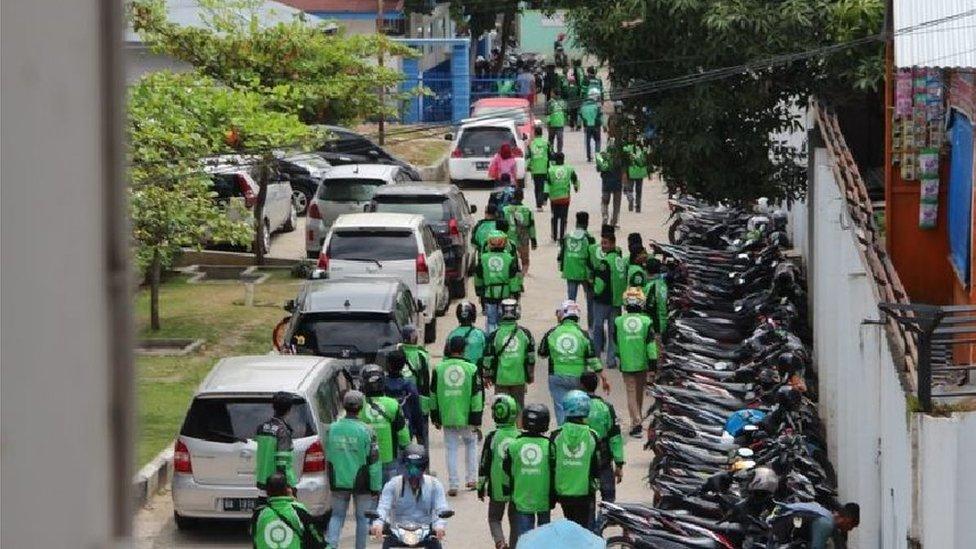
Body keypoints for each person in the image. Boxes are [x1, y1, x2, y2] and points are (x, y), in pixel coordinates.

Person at [324, 390, 382, 549]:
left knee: (336, 516)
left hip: (338, 480)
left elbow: (328, 455)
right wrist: (376, 487)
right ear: (361, 407)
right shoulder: (368, 431)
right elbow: (374, 461)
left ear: (344, 406)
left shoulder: (332, 429)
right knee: (363, 519)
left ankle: (331, 546)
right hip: (362, 483)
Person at [538, 300, 609, 425]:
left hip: (557, 377)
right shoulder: (583, 334)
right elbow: (592, 359)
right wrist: (603, 377)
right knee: (578, 408)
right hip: (579, 378)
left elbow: (542, 353)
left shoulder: (552, 333)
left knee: (561, 408)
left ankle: (563, 434)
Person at [431, 335, 485, 496]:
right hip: (467, 415)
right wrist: (477, 418)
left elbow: (433, 394)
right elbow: (477, 396)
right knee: (471, 445)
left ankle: (453, 483)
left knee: (451, 449)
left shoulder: (439, 369)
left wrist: (435, 416)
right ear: (464, 349)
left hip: (447, 415)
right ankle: (472, 479)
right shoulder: (472, 369)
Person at [370, 444, 451, 549]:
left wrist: (439, 526)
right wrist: (378, 524)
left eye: (417, 467)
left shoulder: (435, 485)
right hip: (397, 535)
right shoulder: (393, 484)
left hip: (427, 535)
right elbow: (383, 507)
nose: (413, 472)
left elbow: (441, 508)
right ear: (403, 466)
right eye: (409, 467)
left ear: (424, 467)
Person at [503, 404, 555, 540]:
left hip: (521, 497)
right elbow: (555, 470)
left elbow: (506, 469)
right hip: (544, 498)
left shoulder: (514, 445)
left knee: (525, 538)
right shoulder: (549, 446)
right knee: (545, 539)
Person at [550, 391, 601, 530]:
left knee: (569, 520)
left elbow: (552, 464)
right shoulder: (592, 435)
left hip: (563, 492)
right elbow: (596, 466)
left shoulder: (556, 435)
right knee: (582, 527)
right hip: (584, 492)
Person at [477, 394, 521, 549]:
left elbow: (484, 463)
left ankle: (500, 542)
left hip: (497, 486)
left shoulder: (493, 437)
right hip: (517, 485)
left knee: (494, 518)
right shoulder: (520, 436)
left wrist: (481, 485)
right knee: (515, 520)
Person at [613, 288, 656, 437]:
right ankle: (637, 421)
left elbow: (615, 342)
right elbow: (651, 345)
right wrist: (653, 366)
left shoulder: (618, 322)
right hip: (642, 363)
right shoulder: (646, 321)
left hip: (626, 364)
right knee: (639, 393)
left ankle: (636, 422)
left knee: (631, 393)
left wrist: (619, 355)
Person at [359, 364, 411, 483]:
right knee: (390, 496)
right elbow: (403, 434)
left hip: (365, 461)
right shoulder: (392, 404)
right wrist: (405, 446)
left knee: (370, 497)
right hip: (389, 458)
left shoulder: (358, 405)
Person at [580, 372, 624, 503]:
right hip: (603, 453)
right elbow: (615, 435)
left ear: (581, 385)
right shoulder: (606, 407)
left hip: (583, 454)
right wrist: (619, 463)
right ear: (597, 384)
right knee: (608, 492)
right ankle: (608, 513)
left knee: (586, 493)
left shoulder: (576, 407)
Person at [483, 298, 535, 409]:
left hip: (501, 379)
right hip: (519, 378)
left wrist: (487, 376)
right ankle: (518, 427)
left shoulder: (495, 335)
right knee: (518, 409)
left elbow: (488, 358)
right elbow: (531, 358)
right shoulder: (525, 333)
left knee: (502, 410)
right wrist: (530, 376)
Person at [251, 472, 325, 549]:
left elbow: (255, 539)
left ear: (267, 492)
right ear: (287, 490)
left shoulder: (258, 514)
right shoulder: (298, 511)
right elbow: (316, 539)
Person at [590, 225, 627, 369]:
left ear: (613, 243)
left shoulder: (605, 263)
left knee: (598, 328)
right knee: (613, 332)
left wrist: (594, 290)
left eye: (605, 243)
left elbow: (599, 285)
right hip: (616, 302)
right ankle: (611, 360)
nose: (603, 246)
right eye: (602, 243)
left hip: (602, 302)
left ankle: (596, 358)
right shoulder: (620, 261)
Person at [473, 230, 522, 334]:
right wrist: (516, 294)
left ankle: (491, 342)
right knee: (505, 321)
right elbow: (513, 278)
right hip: (506, 295)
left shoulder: (483, 259)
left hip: (489, 296)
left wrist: (479, 292)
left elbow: (478, 277)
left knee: (491, 322)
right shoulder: (509, 258)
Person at [770, 502, 860, 549]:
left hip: (780, 519)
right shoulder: (826, 524)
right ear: (847, 520)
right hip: (780, 531)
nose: (850, 530)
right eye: (851, 526)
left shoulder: (827, 514)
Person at [383, 348, 426, 447]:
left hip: (384, 430)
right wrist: (420, 433)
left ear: (388, 365)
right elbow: (416, 412)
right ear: (403, 366)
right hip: (406, 429)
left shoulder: (380, 385)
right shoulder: (409, 385)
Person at [256, 391, 297, 494]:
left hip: (263, 481)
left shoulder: (262, 428)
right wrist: (287, 486)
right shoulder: (283, 431)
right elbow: (282, 462)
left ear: (273, 407)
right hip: (278, 485)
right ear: (289, 409)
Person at [400, 324, 432, 447]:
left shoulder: (398, 352)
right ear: (413, 337)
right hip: (419, 398)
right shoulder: (421, 355)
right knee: (422, 436)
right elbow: (425, 381)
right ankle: (423, 462)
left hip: (402, 400)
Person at [558, 211, 596, 303]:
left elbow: (561, 254)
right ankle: (590, 317)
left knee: (571, 300)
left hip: (570, 270)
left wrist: (562, 268)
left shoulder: (567, 236)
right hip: (585, 272)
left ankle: (571, 316)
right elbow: (592, 257)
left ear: (576, 222)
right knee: (590, 299)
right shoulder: (589, 238)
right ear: (587, 223)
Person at [543, 152, 579, 242]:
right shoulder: (569, 169)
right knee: (564, 217)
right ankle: (562, 236)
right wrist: (576, 187)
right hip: (565, 198)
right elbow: (575, 179)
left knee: (554, 216)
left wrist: (545, 197)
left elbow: (547, 184)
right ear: (563, 159)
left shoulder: (550, 170)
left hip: (554, 198)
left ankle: (554, 236)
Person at [502, 188, 537, 275]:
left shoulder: (505, 209)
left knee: (509, 257)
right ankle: (523, 274)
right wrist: (533, 240)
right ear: (522, 197)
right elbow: (531, 226)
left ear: (513, 196)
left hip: (508, 238)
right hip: (523, 238)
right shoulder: (527, 210)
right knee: (525, 260)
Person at [445, 301, 488, 369]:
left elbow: (446, 359)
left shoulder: (451, 335)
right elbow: (486, 357)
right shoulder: (480, 335)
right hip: (476, 374)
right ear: (473, 315)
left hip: (458, 375)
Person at [596, 139, 624, 227]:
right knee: (616, 204)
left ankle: (605, 215)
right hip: (617, 184)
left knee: (604, 201)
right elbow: (623, 170)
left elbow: (598, 169)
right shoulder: (619, 159)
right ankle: (614, 222)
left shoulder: (603, 157)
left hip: (606, 183)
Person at [525, 126, 550, 211]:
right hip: (544, 168)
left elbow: (528, 156)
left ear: (535, 133)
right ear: (542, 133)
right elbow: (551, 155)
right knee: (544, 185)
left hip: (535, 168)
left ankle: (539, 205)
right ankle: (543, 199)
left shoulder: (531, 144)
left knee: (537, 187)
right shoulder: (546, 143)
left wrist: (526, 167)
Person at [623, 140, 648, 212]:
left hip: (631, 172)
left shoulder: (627, 148)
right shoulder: (644, 149)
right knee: (639, 190)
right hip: (641, 172)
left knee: (629, 189)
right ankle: (638, 207)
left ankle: (630, 198)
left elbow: (624, 160)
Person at [579, 89, 602, 162]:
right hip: (596, 126)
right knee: (597, 140)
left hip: (587, 126)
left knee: (588, 141)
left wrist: (581, 123)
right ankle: (597, 156)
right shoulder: (597, 105)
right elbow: (599, 115)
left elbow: (580, 115)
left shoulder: (583, 105)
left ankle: (589, 157)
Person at [546, 89, 567, 154]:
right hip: (556, 124)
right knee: (556, 139)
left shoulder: (552, 102)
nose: (551, 94)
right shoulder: (551, 102)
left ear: (555, 94)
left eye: (552, 93)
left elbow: (548, 113)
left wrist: (548, 123)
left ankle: (557, 153)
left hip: (556, 124)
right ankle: (554, 152)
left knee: (554, 139)